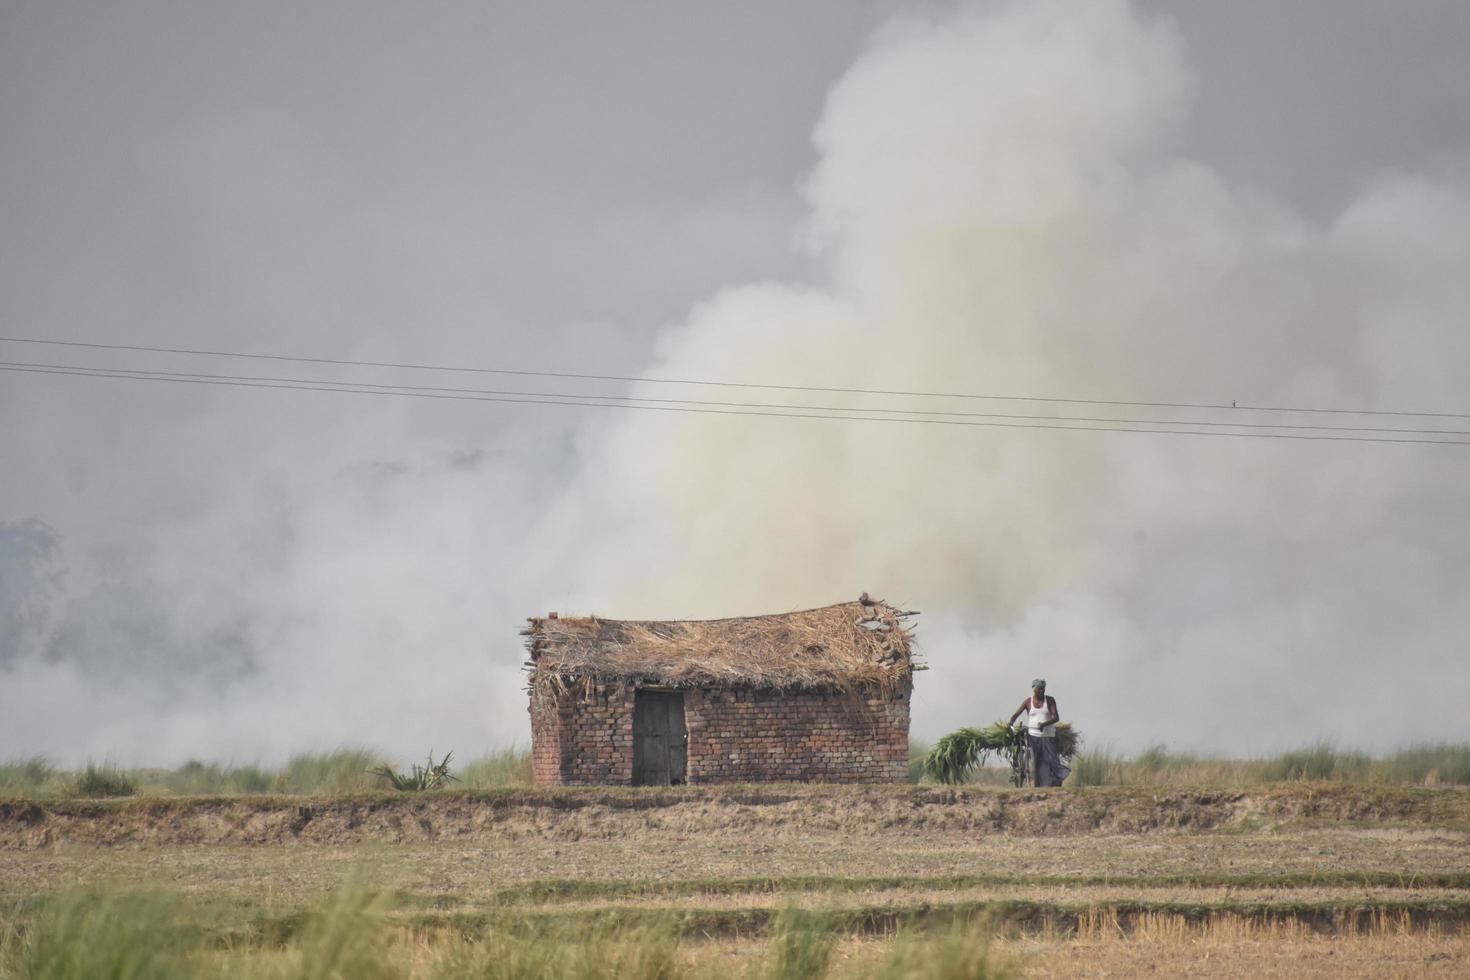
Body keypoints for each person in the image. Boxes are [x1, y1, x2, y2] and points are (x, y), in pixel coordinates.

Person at [1007, 678, 1069, 787]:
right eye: (1039, 689)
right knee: (1038, 761)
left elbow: (1056, 717)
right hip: (1033, 736)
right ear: (1034, 689)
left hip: (1048, 735)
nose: (1042, 691)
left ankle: (1054, 783)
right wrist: (1010, 723)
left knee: (1051, 760)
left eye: (1043, 689)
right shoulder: (1028, 702)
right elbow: (1016, 714)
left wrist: (1044, 724)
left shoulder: (1049, 700)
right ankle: (1040, 785)